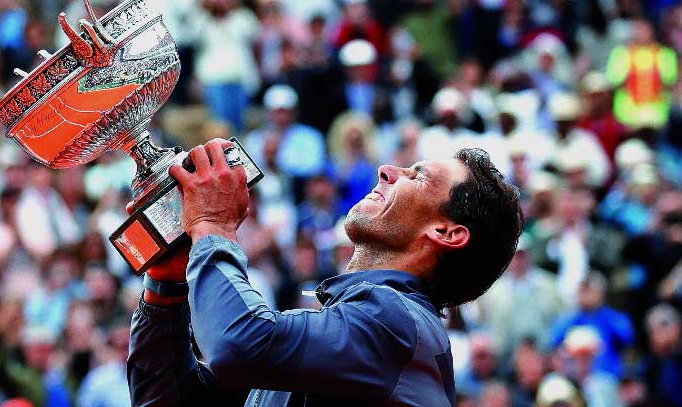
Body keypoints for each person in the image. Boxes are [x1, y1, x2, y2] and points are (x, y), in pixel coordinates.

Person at [127, 139, 523, 406]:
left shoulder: (395, 322)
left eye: (417, 176)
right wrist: (167, 288)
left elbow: (237, 344)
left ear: (446, 233)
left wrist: (212, 225)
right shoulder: (355, 331)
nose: (387, 170)